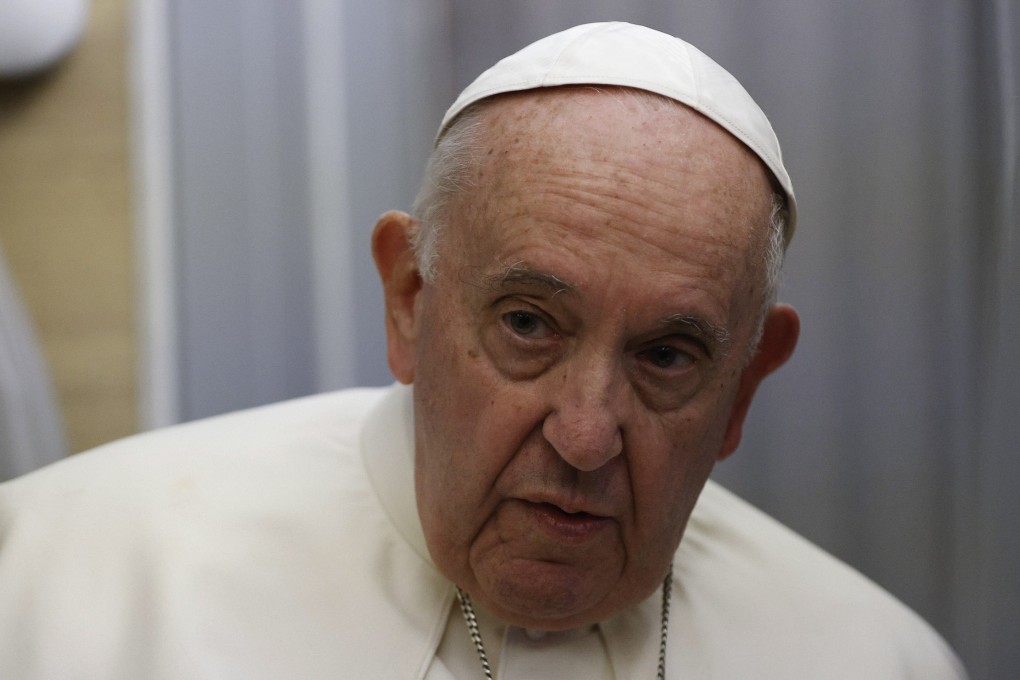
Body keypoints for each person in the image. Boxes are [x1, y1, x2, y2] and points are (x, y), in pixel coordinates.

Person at [0, 22, 966, 679]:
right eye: (528, 325)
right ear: (409, 301)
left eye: (667, 356)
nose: (585, 438)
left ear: (745, 387)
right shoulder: (59, 587)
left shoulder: (876, 659)